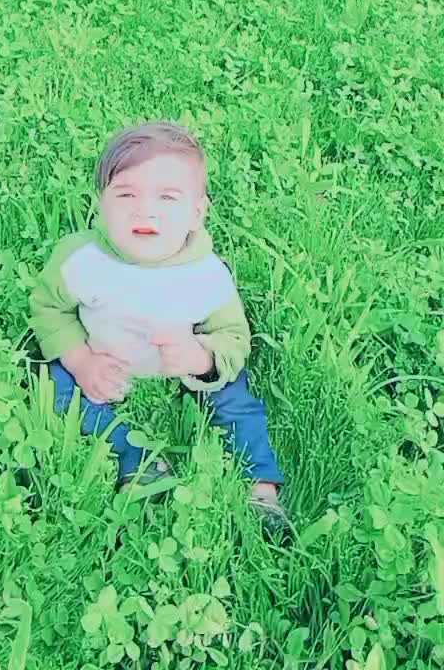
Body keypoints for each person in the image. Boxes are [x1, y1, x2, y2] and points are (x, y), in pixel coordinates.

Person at [29, 121, 287, 529]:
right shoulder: (81, 261)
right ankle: (136, 458)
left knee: (236, 398)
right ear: (101, 204)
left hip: (183, 369)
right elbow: (49, 309)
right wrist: (81, 361)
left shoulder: (206, 275)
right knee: (54, 383)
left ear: (196, 214)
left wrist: (201, 358)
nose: (145, 210)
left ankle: (260, 488)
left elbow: (234, 337)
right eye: (126, 194)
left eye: (167, 197)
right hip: (105, 358)